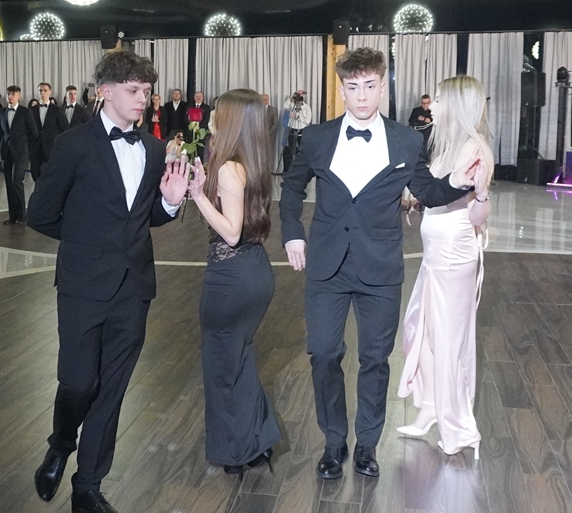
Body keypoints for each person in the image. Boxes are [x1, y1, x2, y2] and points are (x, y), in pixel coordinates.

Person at [280, 48, 474, 482]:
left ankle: (367, 444)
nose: (362, 96)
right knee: (323, 353)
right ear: (342, 89)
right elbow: (291, 188)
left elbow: (427, 191)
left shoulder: (407, 140)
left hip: (380, 268)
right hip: (327, 266)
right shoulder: (317, 137)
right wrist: (292, 232)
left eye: (370, 86)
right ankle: (334, 442)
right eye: (353, 87)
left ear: (383, 87)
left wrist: (456, 183)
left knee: (375, 358)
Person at [28, 50, 187, 513]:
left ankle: (89, 488)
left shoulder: (154, 149)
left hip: (134, 287)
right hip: (82, 285)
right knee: (79, 382)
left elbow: (145, 215)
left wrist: (170, 203)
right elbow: (40, 214)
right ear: (105, 92)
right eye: (133, 90)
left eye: (147, 92)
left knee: (112, 392)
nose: (143, 99)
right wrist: (86, 243)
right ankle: (61, 443)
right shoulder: (72, 145)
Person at [394, 76, 493, 460]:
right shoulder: (448, 145)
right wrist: (416, 202)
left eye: (438, 98)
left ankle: (458, 428)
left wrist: (481, 195)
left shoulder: (475, 149)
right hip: (435, 257)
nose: (431, 104)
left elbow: (478, 215)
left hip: (453, 257)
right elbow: (438, 193)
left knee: (449, 344)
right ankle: (430, 408)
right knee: (421, 332)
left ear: (456, 104)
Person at [187, 90, 280, 475]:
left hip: (231, 279)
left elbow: (230, 232)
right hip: (255, 272)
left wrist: (197, 196)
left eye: (216, 113)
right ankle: (256, 441)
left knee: (223, 367)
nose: (210, 118)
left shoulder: (228, 168)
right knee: (238, 360)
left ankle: (237, 451)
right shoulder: (253, 163)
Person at [0, 85, 38, 225]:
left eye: (13, 94)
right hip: (6, 152)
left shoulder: (25, 112)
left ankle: (22, 215)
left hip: (21, 152)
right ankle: (13, 216)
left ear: (19, 96)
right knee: (9, 184)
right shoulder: (2, 112)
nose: (10, 96)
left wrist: (29, 152)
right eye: (8, 94)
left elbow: (34, 134)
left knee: (17, 181)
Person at [32, 82, 64, 180]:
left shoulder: (57, 110)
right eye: (40, 90)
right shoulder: (32, 110)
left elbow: (64, 128)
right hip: (35, 147)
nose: (42, 93)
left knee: (51, 173)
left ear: (50, 92)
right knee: (35, 173)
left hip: (51, 147)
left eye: (45, 90)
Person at [281, 91, 312, 172]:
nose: (300, 97)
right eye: (299, 96)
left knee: (301, 151)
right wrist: (292, 96)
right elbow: (285, 106)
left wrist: (297, 117)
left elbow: (307, 121)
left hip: (302, 131)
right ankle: (290, 170)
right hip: (292, 129)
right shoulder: (292, 105)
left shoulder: (307, 107)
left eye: (301, 96)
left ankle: (301, 170)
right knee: (290, 151)